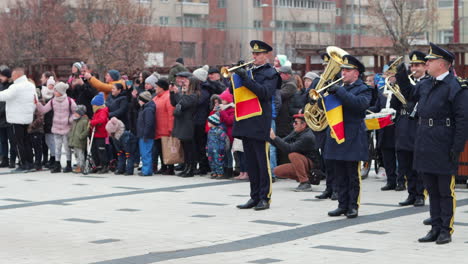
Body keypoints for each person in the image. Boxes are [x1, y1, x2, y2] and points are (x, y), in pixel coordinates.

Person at [397, 43, 468, 244]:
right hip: (424, 140)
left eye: (430, 60)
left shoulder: (456, 87)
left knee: (445, 190)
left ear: (442, 64)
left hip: (444, 142)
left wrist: (456, 148)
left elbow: (463, 121)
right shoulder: (426, 83)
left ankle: (446, 228)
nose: (426, 63)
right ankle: (435, 227)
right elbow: (410, 96)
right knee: (431, 188)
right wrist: (402, 75)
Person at [233, 40, 280, 211]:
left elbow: (265, 93)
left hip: (260, 122)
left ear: (266, 55)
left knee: (262, 162)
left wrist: (245, 78)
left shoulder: (271, 73)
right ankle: (254, 196)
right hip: (246, 121)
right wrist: (237, 76)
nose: (254, 57)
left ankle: (264, 197)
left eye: (258, 54)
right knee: (251, 162)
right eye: (253, 54)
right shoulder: (249, 71)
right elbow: (234, 92)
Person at [325, 55, 372, 219]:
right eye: (342, 69)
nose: (343, 72)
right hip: (337, 133)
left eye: (347, 70)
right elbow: (325, 108)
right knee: (339, 173)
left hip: (353, 135)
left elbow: (359, 105)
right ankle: (342, 204)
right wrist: (320, 96)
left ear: (356, 73)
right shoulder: (339, 87)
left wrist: (339, 91)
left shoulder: (364, 88)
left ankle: (353, 206)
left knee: (352, 174)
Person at [395, 50, 430, 207]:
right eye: (412, 65)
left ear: (425, 66)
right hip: (404, 128)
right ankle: (411, 193)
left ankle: (420, 194)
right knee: (406, 165)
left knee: (419, 166)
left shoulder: (428, 82)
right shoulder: (408, 82)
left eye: (417, 65)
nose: (414, 68)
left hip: (418, 129)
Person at [0, 68, 36, 172]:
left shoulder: (16, 87)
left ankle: (22, 164)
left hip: (16, 118)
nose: (12, 76)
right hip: (27, 117)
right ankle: (30, 163)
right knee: (26, 141)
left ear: (17, 76)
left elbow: (3, 95)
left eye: (13, 75)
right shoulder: (30, 85)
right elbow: (35, 100)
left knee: (18, 143)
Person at [36, 82, 77, 173]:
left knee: (67, 148)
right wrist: (37, 104)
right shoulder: (53, 101)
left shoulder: (69, 101)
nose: (54, 92)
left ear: (61, 91)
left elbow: (76, 112)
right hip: (56, 127)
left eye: (56, 90)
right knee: (57, 147)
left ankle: (68, 164)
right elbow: (43, 110)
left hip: (67, 128)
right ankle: (57, 164)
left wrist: (70, 120)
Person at [270, 113, 318, 192]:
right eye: (294, 122)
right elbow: (282, 142)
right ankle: (307, 178)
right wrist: (271, 138)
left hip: (313, 166)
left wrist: (275, 138)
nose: (293, 124)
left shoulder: (307, 136)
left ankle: (305, 182)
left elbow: (289, 149)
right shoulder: (297, 132)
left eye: (296, 123)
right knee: (277, 171)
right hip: (303, 163)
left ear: (304, 125)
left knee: (293, 155)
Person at [170, 76, 199, 177]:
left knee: (189, 148)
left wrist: (178, 93)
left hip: (188, 123)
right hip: (181, 122)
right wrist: (172, 92)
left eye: (187, 81)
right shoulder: (184, 94)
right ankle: (186, 167)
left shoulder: (194, 95)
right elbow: (174, 103)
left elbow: (183, 103)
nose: (184, 83)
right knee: (185, 148)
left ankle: (191, 169)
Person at [153, 79, 175, 175]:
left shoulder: (168, 97)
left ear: (161, 88)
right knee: (160, 150)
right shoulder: (156, 98)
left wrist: (171, 128)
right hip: (158, 129)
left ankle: (170, 168)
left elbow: (171, 114)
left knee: (167, 150)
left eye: (157, 86)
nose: (155, 88)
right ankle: (163, 166)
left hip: (165, 129)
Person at [136, 91, 156, 177]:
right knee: (144, 153)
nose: (138, 102)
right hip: (143, 134)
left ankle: (146, 171)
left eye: (139, 100)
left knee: (146, 153)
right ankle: (147, 169)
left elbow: (149, 123)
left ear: (143, 100)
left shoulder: (148, 110)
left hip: (146, 136)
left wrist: (145, 134)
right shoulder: (145, 108)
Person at [89, 92, 110, 174]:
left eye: (94, 105)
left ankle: (104, 165)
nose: (93, 107)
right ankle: (97, 165)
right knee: (94, 150)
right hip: (95, 134)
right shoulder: (96, 112)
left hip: (101, 134)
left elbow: (102, 120)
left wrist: (93, 122)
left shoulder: (102, 111)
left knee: (101, 150)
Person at [0, 68, 16, 168]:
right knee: (3, 140)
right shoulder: (1, 86)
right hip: (1, 119)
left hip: (10, 117)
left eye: (2, 76)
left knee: (12, 140)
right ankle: (4, 158)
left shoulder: (12, 87)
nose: (0, 78)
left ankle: (12, 160)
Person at [206, 112, 230, 179]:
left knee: (219, 161)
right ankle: (214, 172)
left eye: (209, 122)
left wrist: (221, 149)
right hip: (211, 149)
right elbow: (208, 140)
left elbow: (222, 141)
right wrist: (207, 148)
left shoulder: (220, 131)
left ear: (213, 123)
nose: (207, 123)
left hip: (218, 150)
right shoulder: (210, 131)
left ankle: (220, 173)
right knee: (211, 161)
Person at [68, 105, 89, 174]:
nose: (75, 114)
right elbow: (72, 130)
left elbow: (86, 131)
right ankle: (78, 165)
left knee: (80, 154)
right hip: (74, 141)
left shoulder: (84, 121)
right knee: (76, 154)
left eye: (76, 113)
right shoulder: (75, 121)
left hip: (80, 141)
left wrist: (81, 136)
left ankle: (81, 166)